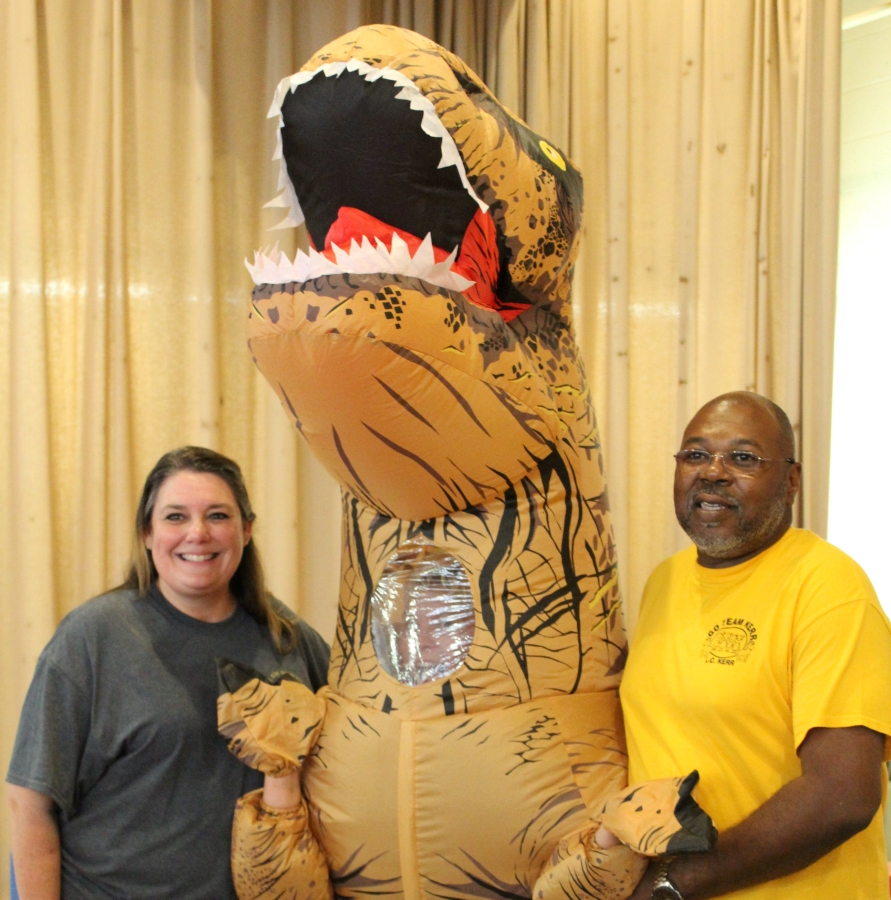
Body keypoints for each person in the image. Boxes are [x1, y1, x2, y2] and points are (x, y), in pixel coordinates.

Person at [6, 446, 330, 900]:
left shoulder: (287, 638)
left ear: (246, 529)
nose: (197, 533)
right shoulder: (91, 638)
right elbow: (30, 804)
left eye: (217, 515)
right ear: (146, 532)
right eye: (175, 517)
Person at [620, 391, 891, 899]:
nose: (713, 472)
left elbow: (844, 797)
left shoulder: (830, 588)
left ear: (790, 482)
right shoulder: (664, 580)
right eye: (695, 455)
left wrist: (674, 884)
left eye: (743, 458)